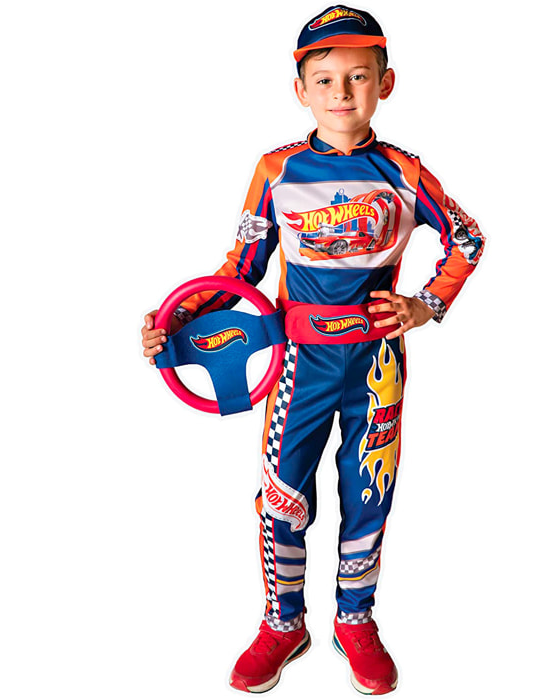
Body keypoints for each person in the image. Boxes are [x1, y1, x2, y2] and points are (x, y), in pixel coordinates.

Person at [141, 5, 485, 694]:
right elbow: (241, 269)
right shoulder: (277, 170)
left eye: (359, 76)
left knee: (369, 492)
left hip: (378, 366)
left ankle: (355, 619)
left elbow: (468, 238)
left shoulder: (405, 173)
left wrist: (426, 305)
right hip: (297, 364)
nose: (342, 91)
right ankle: (282, 622)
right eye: (324, 79)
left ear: (386, 84)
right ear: (300, 90)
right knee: (283, 495)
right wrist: (175, 323)